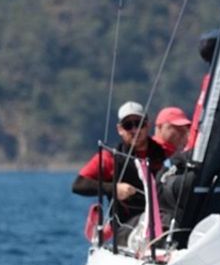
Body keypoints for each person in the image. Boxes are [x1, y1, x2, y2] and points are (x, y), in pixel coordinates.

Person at [72, 101, 170, 235]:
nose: (135, 130)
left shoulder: (164, 152)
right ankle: (105, 232)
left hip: (164, 219)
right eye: (128, 125)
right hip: (127, 227)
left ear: (147, 125)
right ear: (120, 129)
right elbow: (78, 185)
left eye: (139, 124)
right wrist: (113, 188)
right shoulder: (110, 157)